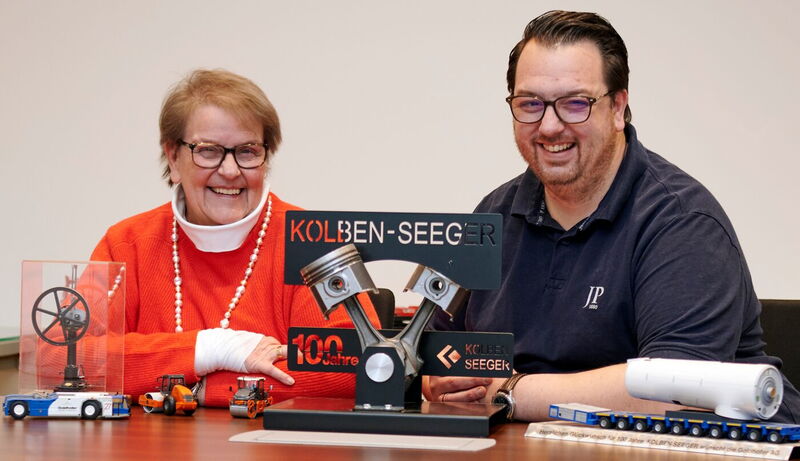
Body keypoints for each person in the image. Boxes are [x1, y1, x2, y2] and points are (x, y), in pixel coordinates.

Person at [425, 10, 799, 423]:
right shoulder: (493, 214)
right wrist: (438, 380)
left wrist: (509, 391)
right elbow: (432, 349)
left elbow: (676, 392)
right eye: (530, 104)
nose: (548, 126)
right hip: (526, 445)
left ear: (618, 107)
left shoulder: (682, 222)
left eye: (575, 104)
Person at [90, 69, 379, 406]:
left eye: (247, 151)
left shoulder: (313, 241)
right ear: (173, 157)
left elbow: (362, 366)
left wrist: (197, 389)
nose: (230, 171)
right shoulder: (127, 244)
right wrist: (211, 349)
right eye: (208, 151)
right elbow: (61, 358)